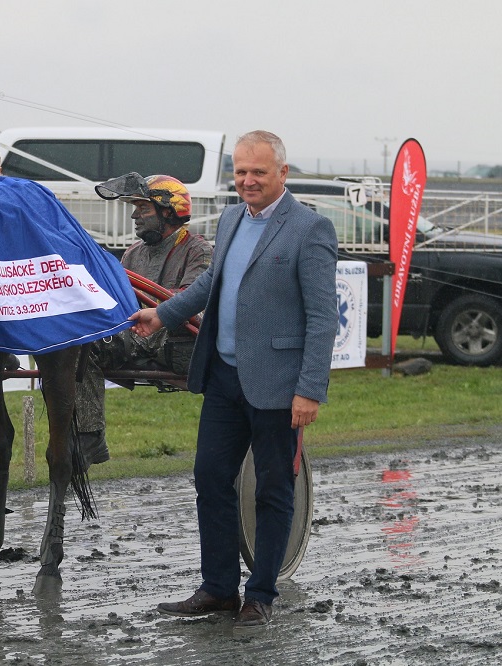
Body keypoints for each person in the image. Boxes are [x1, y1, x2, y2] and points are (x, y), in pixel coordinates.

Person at [130, 131, 338, 630]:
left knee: (271, 489)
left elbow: (323, 317)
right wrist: (164, 314)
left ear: (282, 174)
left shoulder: (311, 229)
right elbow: (209, 283)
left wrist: (309, 388)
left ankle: (260, 594)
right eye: (241, 172)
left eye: (258, 173)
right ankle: (219, 589)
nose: (247, 181)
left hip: (278, 385)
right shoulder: (228, 219)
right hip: (223, 377)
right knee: (210, 478)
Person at [73, 173, 212, 468]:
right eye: (134, 208)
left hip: (176, 343)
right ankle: (81, 434)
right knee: (74, 343)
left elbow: (195, 306)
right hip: (132, 337)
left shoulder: (198, 249)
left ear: (168, 211)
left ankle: (88, 437)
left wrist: (157, 310)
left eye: (143, 208)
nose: (134, 215)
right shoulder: (133, 254)